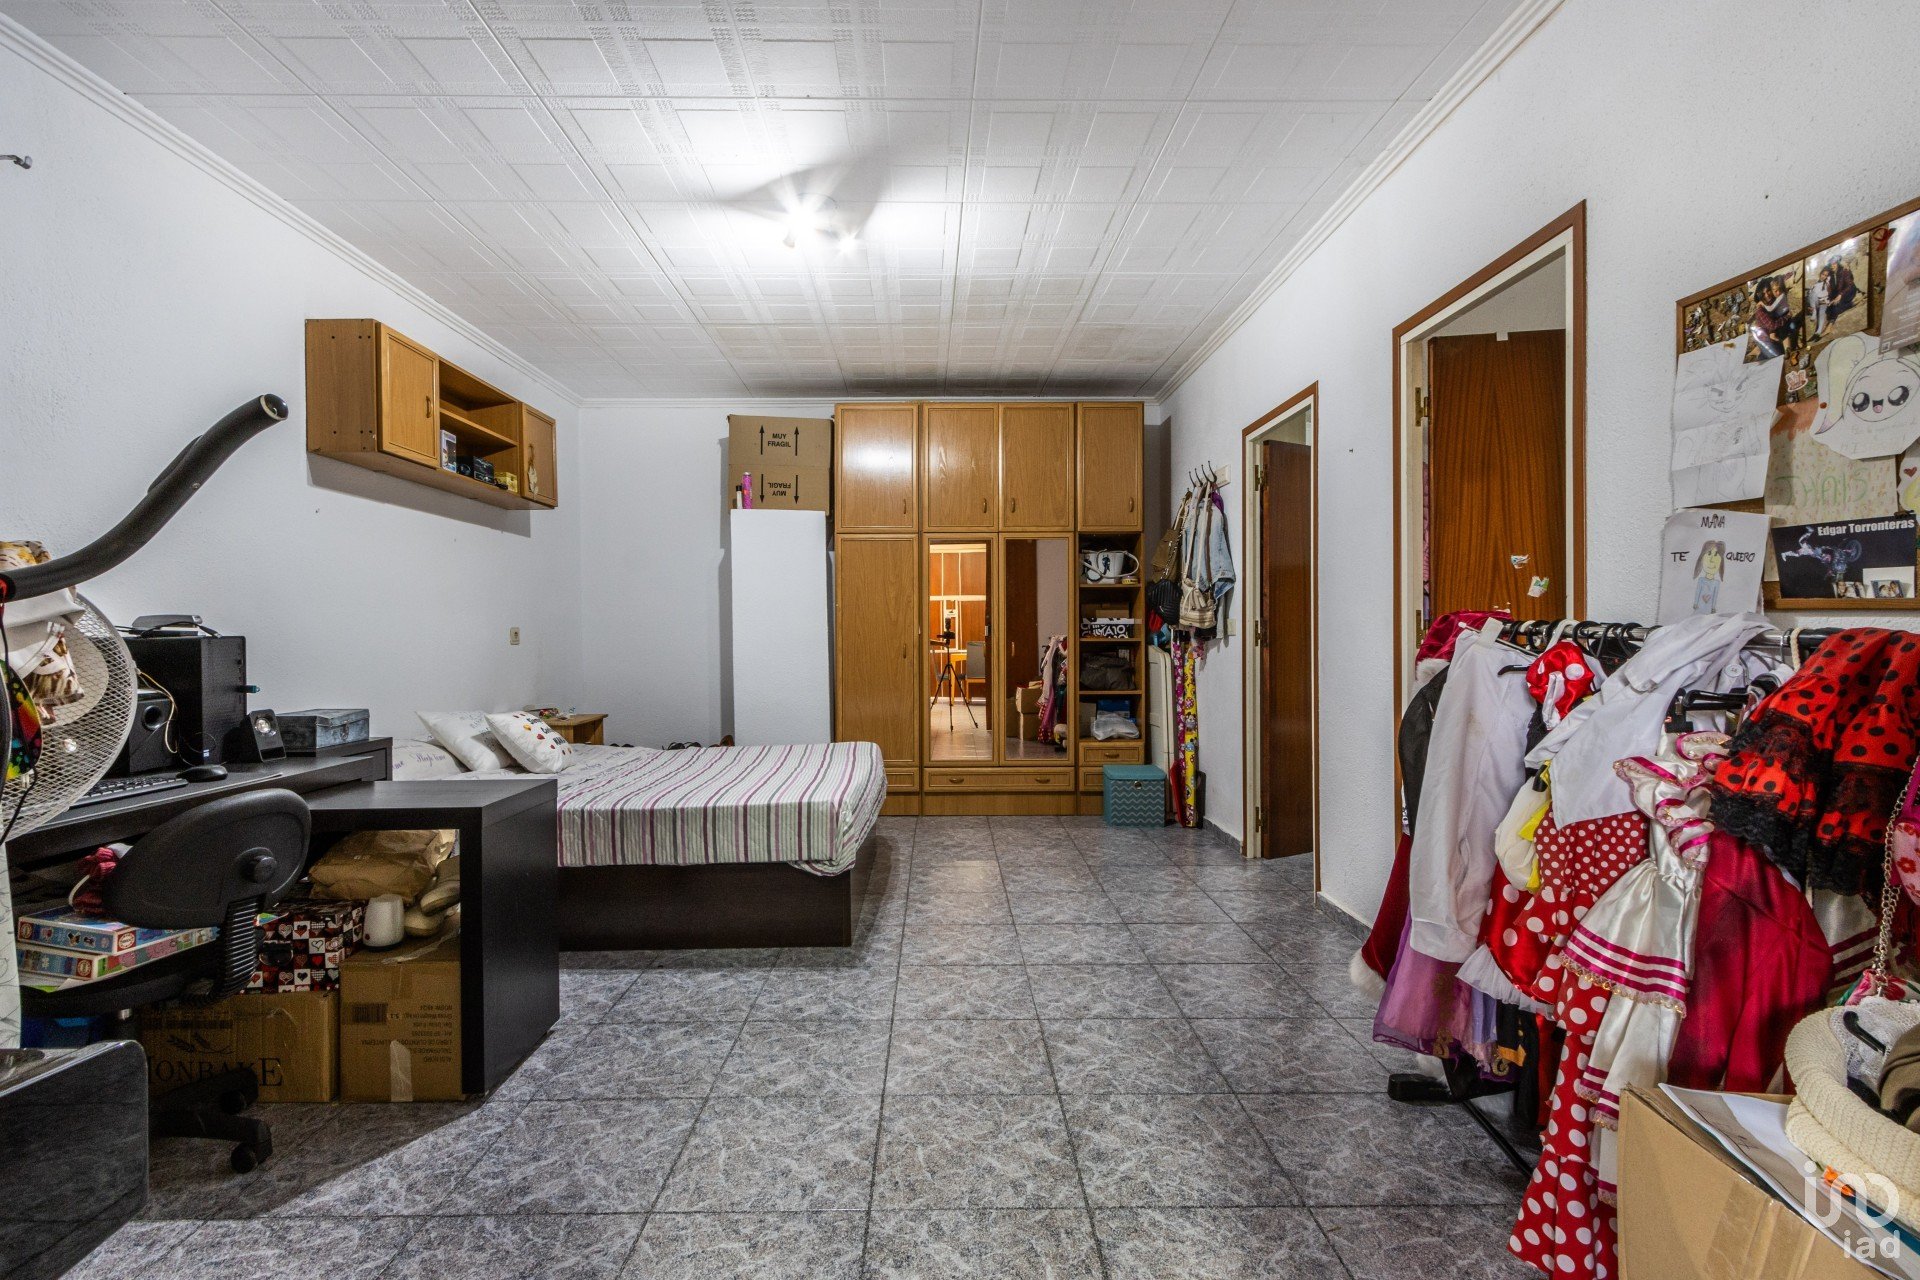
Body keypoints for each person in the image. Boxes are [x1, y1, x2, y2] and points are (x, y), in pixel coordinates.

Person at [1692, 539, 1726, 614]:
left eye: (1716, 554)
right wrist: (1695, 603)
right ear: (1702, 558)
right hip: (1699, 609)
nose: (1711, 560)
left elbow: (1715, 596)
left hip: (1709, 612)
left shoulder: (1716, 583)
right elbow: (1698, 592)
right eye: (1709, 553)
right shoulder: (1701, 580)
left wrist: (1713, 607)